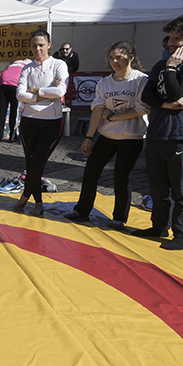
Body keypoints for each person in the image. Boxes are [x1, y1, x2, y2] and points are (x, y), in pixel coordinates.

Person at [132, 15, 183, 250]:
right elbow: (147, 96)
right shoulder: (160, 64)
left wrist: (172, 68)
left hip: (182, 135)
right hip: (157, 132)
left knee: (182, 188)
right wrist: (165, 104)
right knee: (157, 187)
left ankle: (182, 234)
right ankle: (158, 226)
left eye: (177, 39)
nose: (170, 44)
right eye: (169, 39)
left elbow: (175, 93)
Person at [64, 41, 149, 227]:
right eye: (111, 58)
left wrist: (114, 117)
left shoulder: (141, 80)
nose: (114, 61)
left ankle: (119, 218)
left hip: (132, 137)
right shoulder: (104, 82)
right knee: (91, 172)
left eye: (119, 57)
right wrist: (89, 137)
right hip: (107, 136)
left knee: (121, 176)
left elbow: (142, 109)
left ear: (131, 58)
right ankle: (82, 210)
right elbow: (97, 110)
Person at [14, 29, 69, 216]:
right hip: (29, 120)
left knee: (38, 161)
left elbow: (60, 91)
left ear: (49, 45)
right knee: (30, 162)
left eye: (41, 45)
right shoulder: (27, 68)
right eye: (34, 45)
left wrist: (36, 90)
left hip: (51, 121)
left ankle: (25, 196)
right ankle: (38, 202)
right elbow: (20, 94)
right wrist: (44, 95)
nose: (37, 49)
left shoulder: (59, 65)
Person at [0, 59, 27, 142]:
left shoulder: (13, 65)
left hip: (2, 83)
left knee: (1, 111)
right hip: (14, 84)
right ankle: (13, 135)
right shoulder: (27, 66)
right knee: (14, 110)